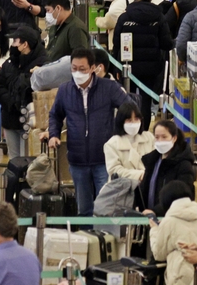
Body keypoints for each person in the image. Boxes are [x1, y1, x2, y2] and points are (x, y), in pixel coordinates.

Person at [46, 48, 134, 215]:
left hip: (104, 159)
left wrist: (123, 136)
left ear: (93, 68)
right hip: (77, 160)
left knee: (105, 207)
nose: (77, 73)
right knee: (84, 209)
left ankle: (105, 239)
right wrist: (53, 134)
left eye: (82, 69)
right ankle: (87, 239)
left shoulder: (109, 88)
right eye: (74, 68)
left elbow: (130, 109)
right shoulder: (65, 90)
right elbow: (55, 115)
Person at [114, 0, 174, 122]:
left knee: (127, 98)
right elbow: (167, 43)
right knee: (146, 101)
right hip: (152, 67)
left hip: (128, 66)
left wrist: (115, 67)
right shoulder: (159, 17)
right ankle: (143, 128)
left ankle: (129, 126)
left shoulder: (125, 17)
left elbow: (116, 44)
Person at [0, 26, 46, 158]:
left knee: (31, 161)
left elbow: (35, 89)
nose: (12, 45)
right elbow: (0, 85)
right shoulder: (10, 62)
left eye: (15, 41)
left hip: (31, 122)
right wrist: (9, 101)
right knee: (15, 160)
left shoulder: (42, 65)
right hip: (10, 119)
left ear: (24, 44)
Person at [138, 119, 197, 216]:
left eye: (164, 137)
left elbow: (183, 196)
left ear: (174, 138)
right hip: (149, 217)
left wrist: (156, 211)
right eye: (157, 137)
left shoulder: (184, 164)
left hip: (171, 218)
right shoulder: (152, 161)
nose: (160, 141)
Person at [103, 103, 155, 182]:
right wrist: (140, 175)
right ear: (121, 121)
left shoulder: (149, 137)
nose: (133, 123)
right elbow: (114, 170)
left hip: (148, 186)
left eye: (137, 119)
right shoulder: (111, 144)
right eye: (129, 120)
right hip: (124, 189)